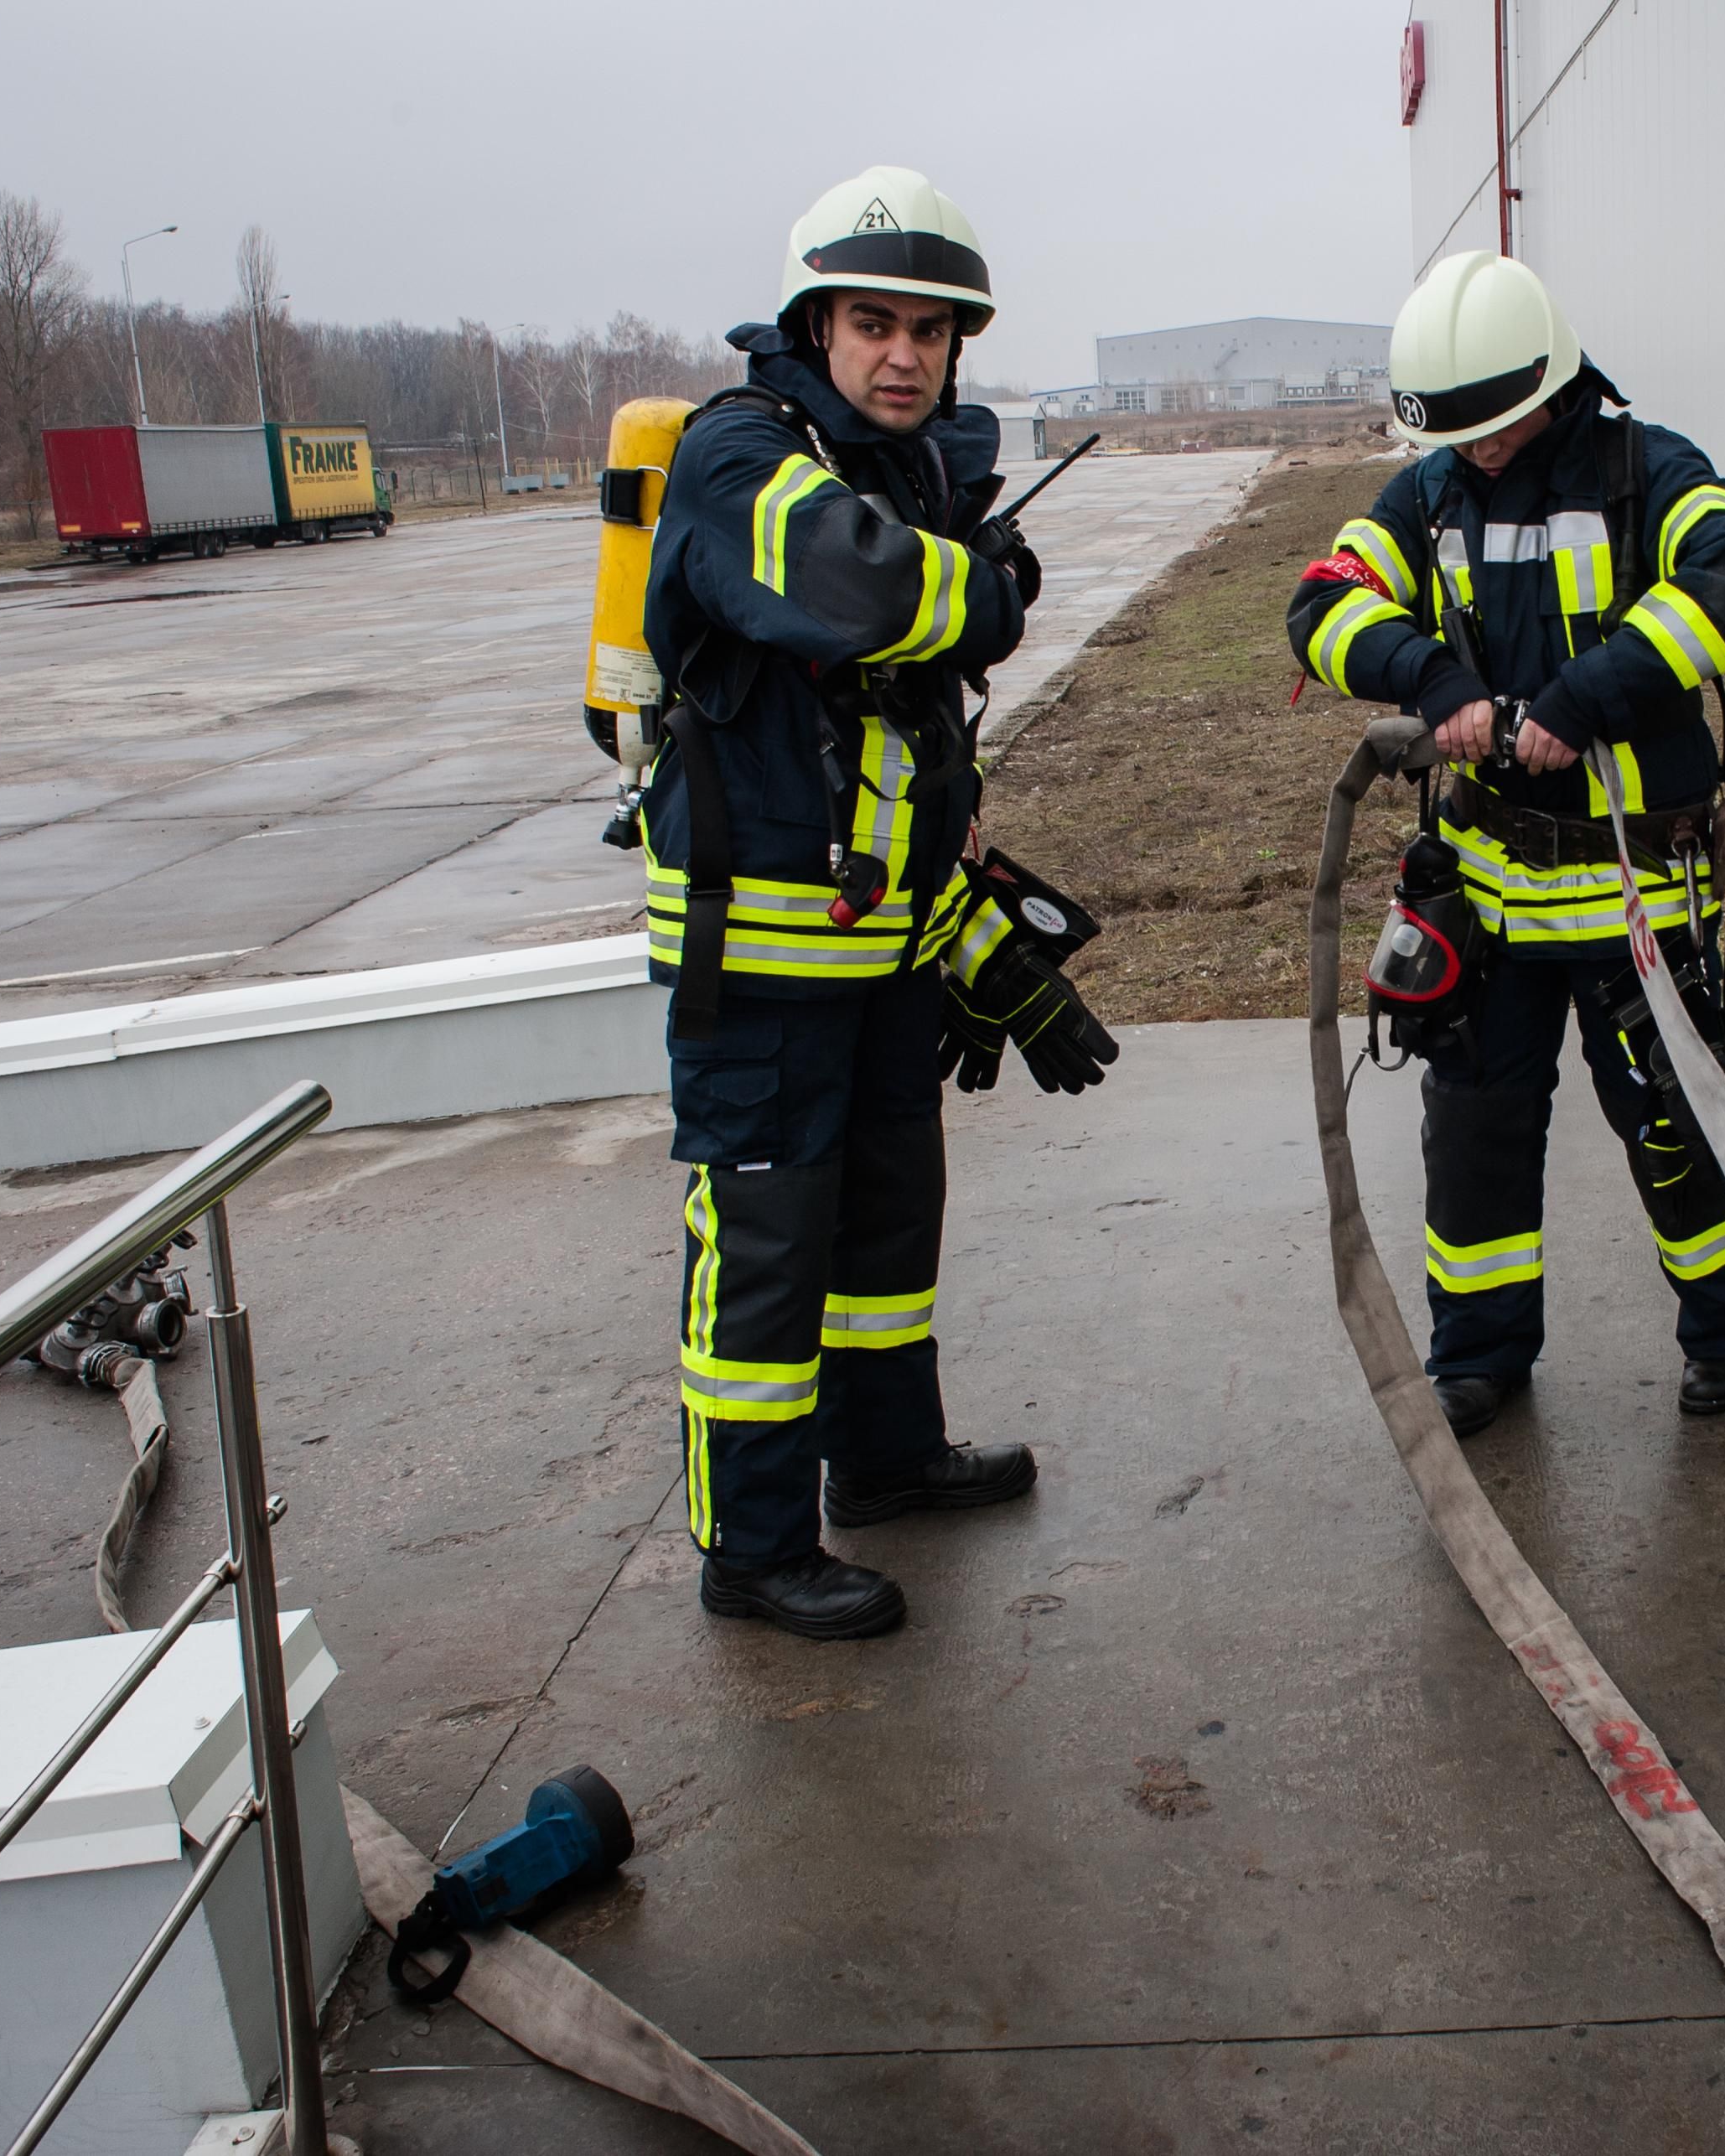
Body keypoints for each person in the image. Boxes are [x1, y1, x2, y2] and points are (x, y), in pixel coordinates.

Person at [640, 165, 1118, 1637]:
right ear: (812, 326)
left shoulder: (902, 466)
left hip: (884, 948)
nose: (903, 353)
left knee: (887, 1221)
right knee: (770, 1254)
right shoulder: (740, 456)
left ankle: (887, 1459)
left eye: (929, 329)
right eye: (871, 323)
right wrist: (987, 581)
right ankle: (754, 1551)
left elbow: (920, 676)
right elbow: (862, 595)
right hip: (764, 961)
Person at [1287, 251, 1725, 1437]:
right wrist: (1430, 675)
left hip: (1636, 895)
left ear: (1551, 381)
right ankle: (1477, 1355)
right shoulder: (1430, 495)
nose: (1479, 448)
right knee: (1474, 1141)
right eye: (1455, 430)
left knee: (1678, 1127)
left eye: (1496, 422)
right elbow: (1322, 606)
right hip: (1487, 898)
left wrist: (1582, 700)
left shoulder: (1648, 472)